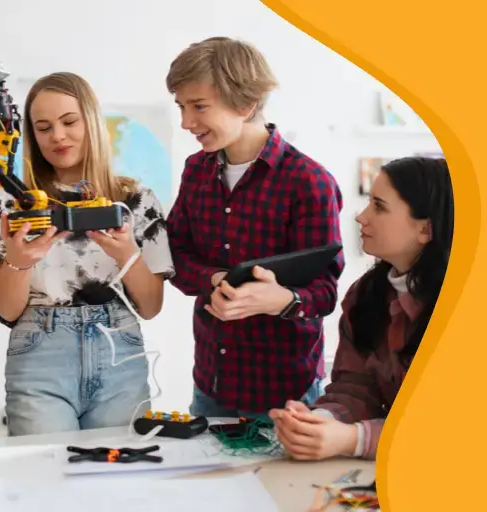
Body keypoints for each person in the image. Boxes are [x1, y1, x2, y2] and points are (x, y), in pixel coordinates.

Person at [0, 72, 175, 436]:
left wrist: (128, 255)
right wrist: (19, 262)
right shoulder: (14, 204)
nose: (57, 136)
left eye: (69, 122)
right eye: (43, 128)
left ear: (92, 120)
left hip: (120, 349)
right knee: (44, 476)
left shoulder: (136, 199)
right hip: (40, 352)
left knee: (120, 480)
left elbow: (151, 307)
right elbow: (8, 309)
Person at [164, 36, 345, 418]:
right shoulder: (196, 171)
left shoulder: (309, 181)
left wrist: (281, 300)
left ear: (246, 105)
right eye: (181, 106)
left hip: (287, 394)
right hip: (210, 384)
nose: (185, 122)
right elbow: (174, 255)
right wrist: (215, 278)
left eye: (198, 106)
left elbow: (325, 291)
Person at [269, 157, 453, 461]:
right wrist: (320, 421)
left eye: (379, 206)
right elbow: (355, 386)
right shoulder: (365, 294)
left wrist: (355, 439)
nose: (361, 217)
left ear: (426, 229)